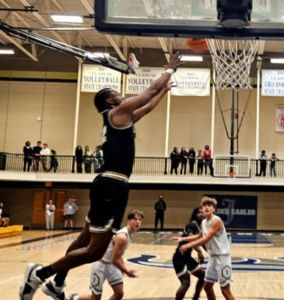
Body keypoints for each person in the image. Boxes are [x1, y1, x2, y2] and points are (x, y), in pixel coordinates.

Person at [19, 53, 183, 300]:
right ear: (109, 99)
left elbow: (148, 106)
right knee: (95, 251)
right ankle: (41, 274)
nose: (121, 94)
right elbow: (147, 94)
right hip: (112, 185)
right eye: (116, 92)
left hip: (110, 184)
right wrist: (168, 70)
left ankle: (57, 284)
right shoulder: (116, 113)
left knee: (85, 237)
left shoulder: (120, 118)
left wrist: (165, 90)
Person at [68, 210, 143, 300]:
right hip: (100, 265)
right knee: (95, 298)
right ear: (129, 220)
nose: (138, 222)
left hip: (111, 265)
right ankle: (75, 298)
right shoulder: (122, 237)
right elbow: (115, 260)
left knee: (119, 293)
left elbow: (118, 255)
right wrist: (127, 272)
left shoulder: (128, 234)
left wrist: (122, 266)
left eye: (139, 220)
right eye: (135, 219)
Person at [174, 196, 235, 300]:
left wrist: (188, 245)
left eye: (209, 206)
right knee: (207, 287)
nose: (206, 207)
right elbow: (199, 237)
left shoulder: (216, 221)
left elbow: (205, 239)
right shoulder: (203, 222)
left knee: (225, 290)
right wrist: (182, 239)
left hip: (222, 258)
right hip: (213, 258)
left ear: (214, 209)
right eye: (204, 206)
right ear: (202, 209)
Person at [170, 208, 206, 300]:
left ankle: (196, 297)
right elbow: (191, 238)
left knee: (203, 275)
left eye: (203, 213)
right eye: (199, 213)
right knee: (186, 282)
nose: (202, 214)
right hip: (179, 257)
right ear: (195, 215)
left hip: (187, 257)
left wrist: (208, 251)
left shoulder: (200, 227)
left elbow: (201, 241)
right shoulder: (191, 225)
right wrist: (199, 251)